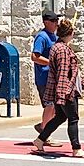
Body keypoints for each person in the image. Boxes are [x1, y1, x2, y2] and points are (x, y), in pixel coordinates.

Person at [33, 17, 84, 158]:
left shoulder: (56, 47)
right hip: (66, 91)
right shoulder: (63, 50)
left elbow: (71, 73)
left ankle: (40, 140)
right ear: (70, 33)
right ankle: (76, 148)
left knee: (59, 117)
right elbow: (63, 73)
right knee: (73, 118)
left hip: (59, 90)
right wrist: (64, 93)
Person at [32, 11, 61, 145]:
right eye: (54, 21)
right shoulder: (42, 37)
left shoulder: (54, 37)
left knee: (57, 108)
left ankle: (43, 126)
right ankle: (45, 133)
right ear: (46, 22)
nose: (56, 24)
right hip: (44, 77)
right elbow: (35, 57)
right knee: (50, 106)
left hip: (54, 78)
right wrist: (51, 62)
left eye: (57, 21)